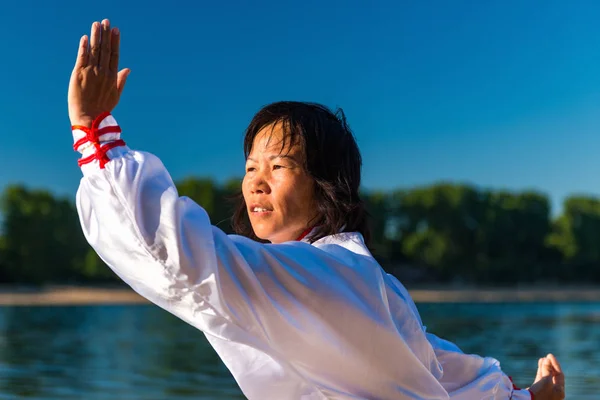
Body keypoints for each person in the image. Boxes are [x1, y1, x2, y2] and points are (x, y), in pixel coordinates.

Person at [67, 19, 566, 400]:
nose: (256, 181)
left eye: (279, 165)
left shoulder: (328, 272)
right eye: (249, 167)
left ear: (326, 187)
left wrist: (95, 134)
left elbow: (187, 261)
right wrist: (522, 395)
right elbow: (434, 370)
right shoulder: (358, 276)